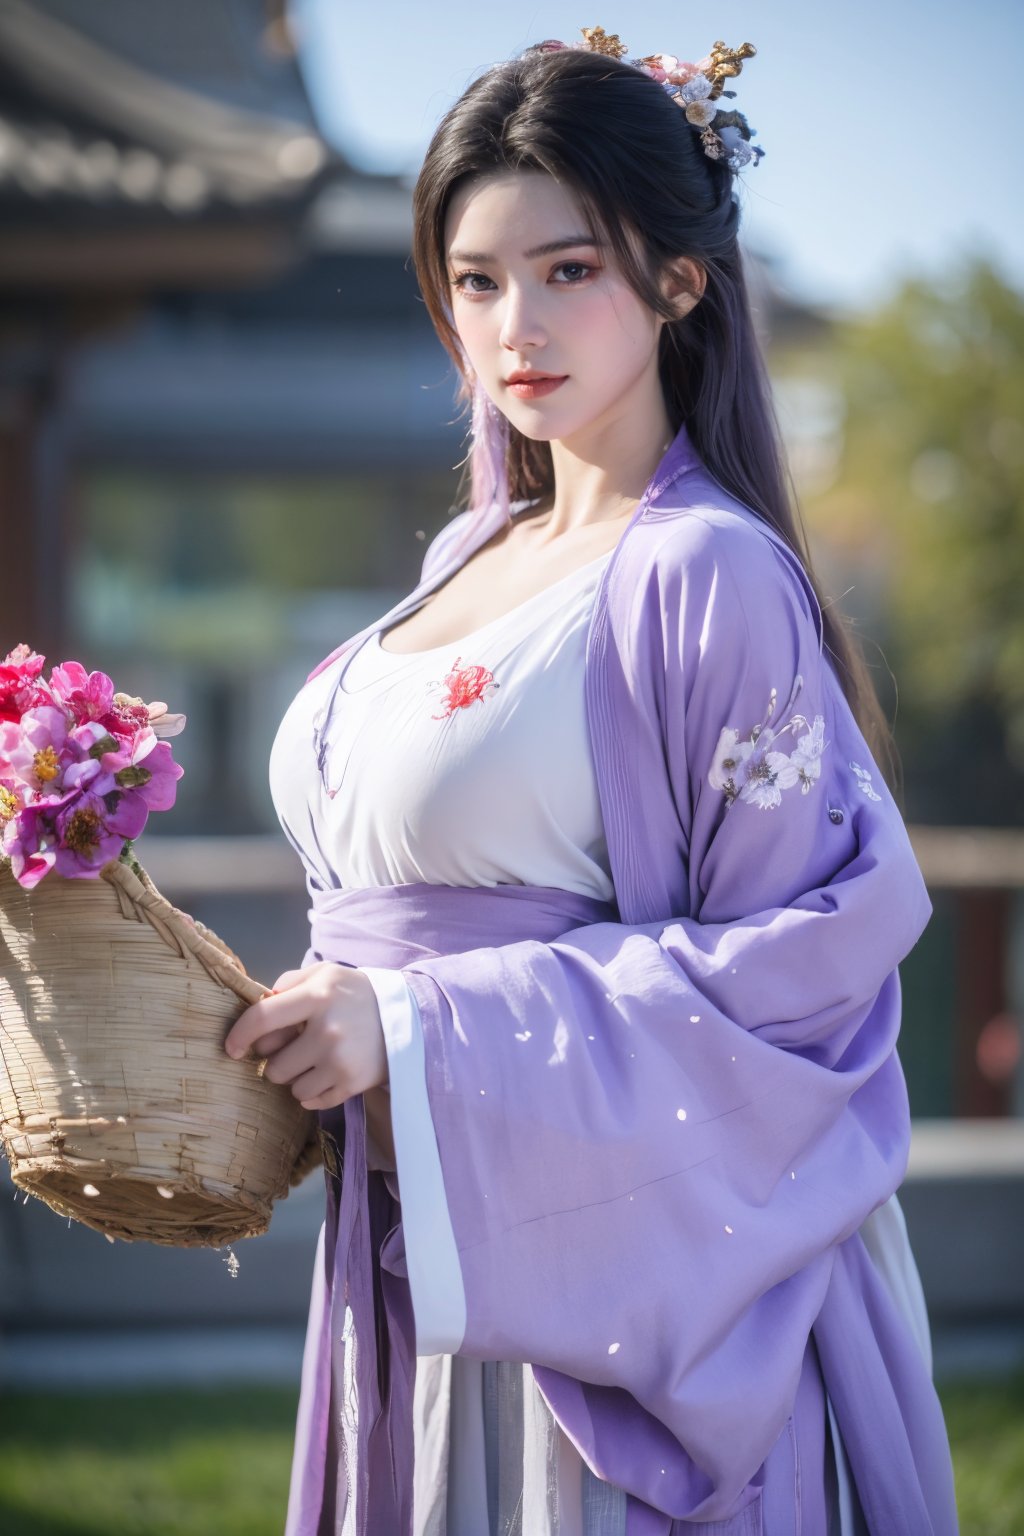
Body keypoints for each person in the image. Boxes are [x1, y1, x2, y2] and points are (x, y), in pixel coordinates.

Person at [224, 27, 960, 1536]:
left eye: (569, 270)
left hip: (609, 1293)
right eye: (477, 282)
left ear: (680, 279)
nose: (516, 326)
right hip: (426, 1218)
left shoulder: (705, 577)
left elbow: (792, 992)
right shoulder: (468, 557)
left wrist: (419, 1028)